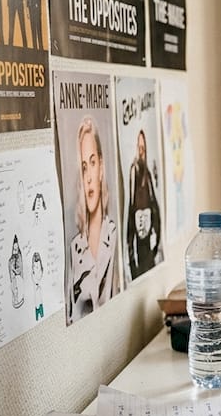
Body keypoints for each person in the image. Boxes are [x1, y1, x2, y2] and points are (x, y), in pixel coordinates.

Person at [67, 115, 119, 321]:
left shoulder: (114, 236)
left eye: (93, 163)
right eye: (83, 167)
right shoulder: (75, 249)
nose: (88, 177)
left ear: (101, 168)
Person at [125, 129, 162, 279]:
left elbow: (155, 206)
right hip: (138, 241)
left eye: (143, 149)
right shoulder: (134, 172)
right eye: (138, 148)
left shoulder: (147, 175)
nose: (141, 152)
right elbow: (130, 209)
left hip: (148, 239)